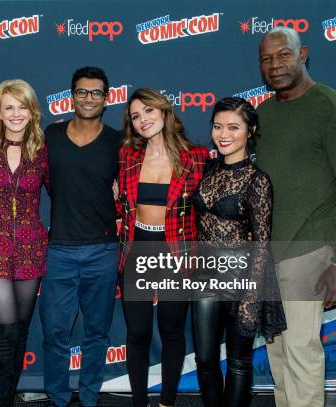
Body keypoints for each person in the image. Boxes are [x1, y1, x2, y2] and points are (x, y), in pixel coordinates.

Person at [256, 27, 336, 407]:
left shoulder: (331, 109)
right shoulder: (264, 113)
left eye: (283, 55)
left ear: (302, 54)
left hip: (309, 252)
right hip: (267, 258)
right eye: (267, 59)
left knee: (302, 354)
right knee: (278, 357)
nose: (275, 65)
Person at [192, 97, 286, 407]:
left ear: (251, 130)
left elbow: (262, 243)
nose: (223, 134)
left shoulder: (258, 181)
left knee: (238, 362)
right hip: (205, 276)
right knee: (205, 360)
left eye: (233, 127)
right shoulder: (208, 170)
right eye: (217, 126)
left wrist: (250, 299)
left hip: (242, 278)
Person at [117, 87, 208, 407]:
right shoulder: (128, 155)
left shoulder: (197, 157)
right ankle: (139, 402)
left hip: (177, 252)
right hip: (137, 246)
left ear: (164, 111)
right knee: (137, 332)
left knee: (171, 331)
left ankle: (167, 401)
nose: (143, 120)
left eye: (148, 111)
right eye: (136, 116)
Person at [39, 66, 121, 407]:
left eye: (96, 93)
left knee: (97, 333)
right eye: (82, 92)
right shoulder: (51, 135)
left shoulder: (118, 142)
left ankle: (89, 397)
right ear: (71, 96)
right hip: (59, 249)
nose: (89, 98)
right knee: (56, 333)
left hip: (103, 251)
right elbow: (40, 176)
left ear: (107, 98)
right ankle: (57, 397)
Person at [0, 79, 49, 406]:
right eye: (9, 107)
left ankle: (9, 396)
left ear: (32, 111)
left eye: (22, 106)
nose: (16, 114)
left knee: (20, 333)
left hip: (31, 250)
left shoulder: (44, 149)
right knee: (4, 333)